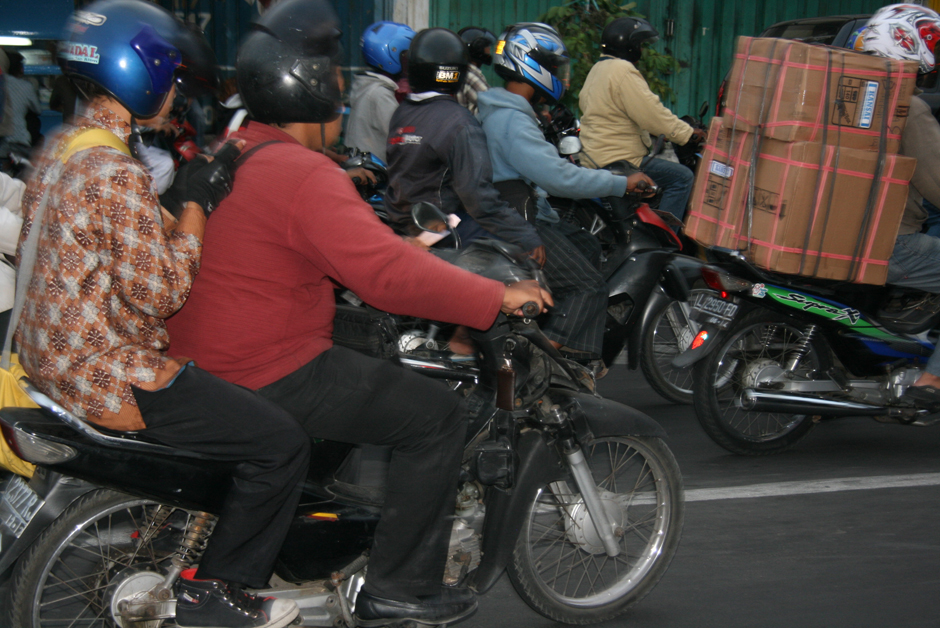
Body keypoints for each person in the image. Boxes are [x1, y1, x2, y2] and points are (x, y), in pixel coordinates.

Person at [164, 2, 549, 626]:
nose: (341, 112)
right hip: (264, 366)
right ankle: (398, 589)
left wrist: (395, 244)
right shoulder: (304, 172)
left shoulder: (233, 151)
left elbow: (348, 251)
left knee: (366, 365)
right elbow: (386, 278)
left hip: (204, 358)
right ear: (313, 96)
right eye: (337, 100)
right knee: (435, 415)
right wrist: (494, 297)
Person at [15, 3, 307, 627]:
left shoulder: (65, 146)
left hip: (49, 358)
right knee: (280, 443)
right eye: (169, 77)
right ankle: (219, 594)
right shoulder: (113, 168)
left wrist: (185, 202)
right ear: (137, 76)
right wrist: (198, 202)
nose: (175, 92)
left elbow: (107, 241)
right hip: (104, 370)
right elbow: (163, 291)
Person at [385, 28, 606, 359]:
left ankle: (467, 335)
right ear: (458, 72)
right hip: (452, 232)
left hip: (413, 227)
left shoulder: (404, 113)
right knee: (574, 281)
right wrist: (526, 235)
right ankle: (528, 362)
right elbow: (479, 199)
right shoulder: (458, 121)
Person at [478, 22, 656, 371]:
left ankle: (570, 349)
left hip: (520, 212)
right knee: (588, 289)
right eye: (555, 67)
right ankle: (538, 365)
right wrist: (620, 183)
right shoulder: (510, 121)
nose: (561, 76)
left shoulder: (506, 111)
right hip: (517, 221)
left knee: (588, 248)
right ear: (532, 65)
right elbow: (560, 179)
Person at [858, 4, 940, 405]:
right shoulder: (911, 107)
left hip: (834, 234)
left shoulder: (847, 96)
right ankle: (933, 381)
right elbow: (937, 183)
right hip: (892, 243)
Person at [578, 17, 705, 222]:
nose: (642, 51)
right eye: (640, 45)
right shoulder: (622, 70)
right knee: (682, 178)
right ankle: (665, 242)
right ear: (630, 46)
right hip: (620, 159)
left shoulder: (599, 68)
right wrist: (689, 134)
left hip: (595, 156)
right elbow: (652, 115)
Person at [345, 21, 414, 162]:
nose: (408, 62)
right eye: (404, 56)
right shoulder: (380, 95)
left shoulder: (365, 86)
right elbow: (403, 139)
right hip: (377, 173)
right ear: (391, 56)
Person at [0, 52, 41, 158]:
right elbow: (37, 110)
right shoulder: (26, 86)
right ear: (20, 68)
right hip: (19, 141)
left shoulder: (3, 83)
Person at [456, 26, 496, 114]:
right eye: (486, 47)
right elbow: (492, 103)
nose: (489, 51)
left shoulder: (461, 71)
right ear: (477, 48)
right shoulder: (469, 75)